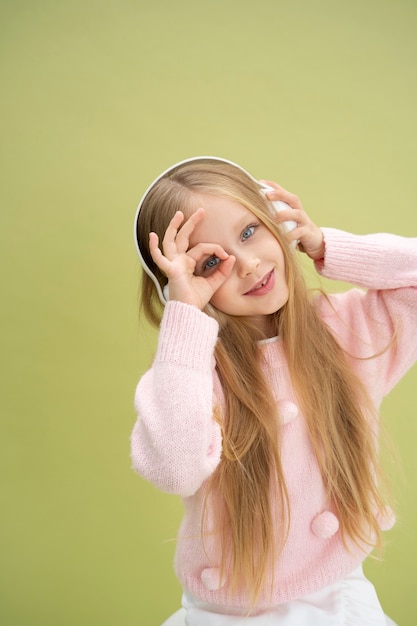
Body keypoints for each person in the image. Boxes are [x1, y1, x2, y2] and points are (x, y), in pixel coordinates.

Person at [131, 156, 417, 625]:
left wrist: (328, 245)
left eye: (249, 232)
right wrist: (185, 314)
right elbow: (174, 469)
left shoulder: (349, 330)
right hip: (225, 611)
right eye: (208, 262)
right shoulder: (190, 372)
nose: (248, 265)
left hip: (339, 596)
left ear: (276, 220)